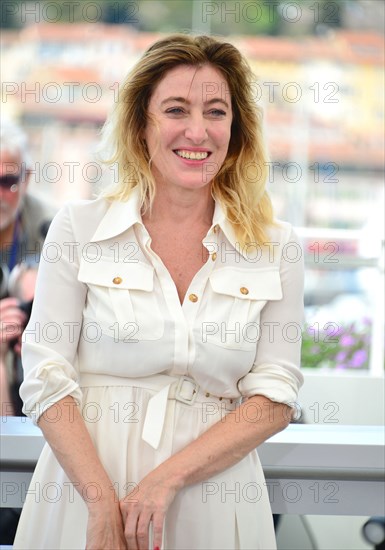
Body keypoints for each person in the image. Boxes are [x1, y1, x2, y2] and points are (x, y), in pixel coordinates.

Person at [14, 34, 304, 550]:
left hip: (216, 502)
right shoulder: (78, 228)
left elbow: (276, 396)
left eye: (216, 111)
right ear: (140, 124)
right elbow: (43, 375)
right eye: (176, 109)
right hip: (83, 497)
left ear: (235, 131)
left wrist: (164, 481)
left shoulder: (277, 247)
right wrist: (102, 503)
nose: (198, 130)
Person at [0, 119, 55, 545]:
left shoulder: (53, 231)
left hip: (35, 388)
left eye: (7, 181)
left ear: (27, 178)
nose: (0, 194)